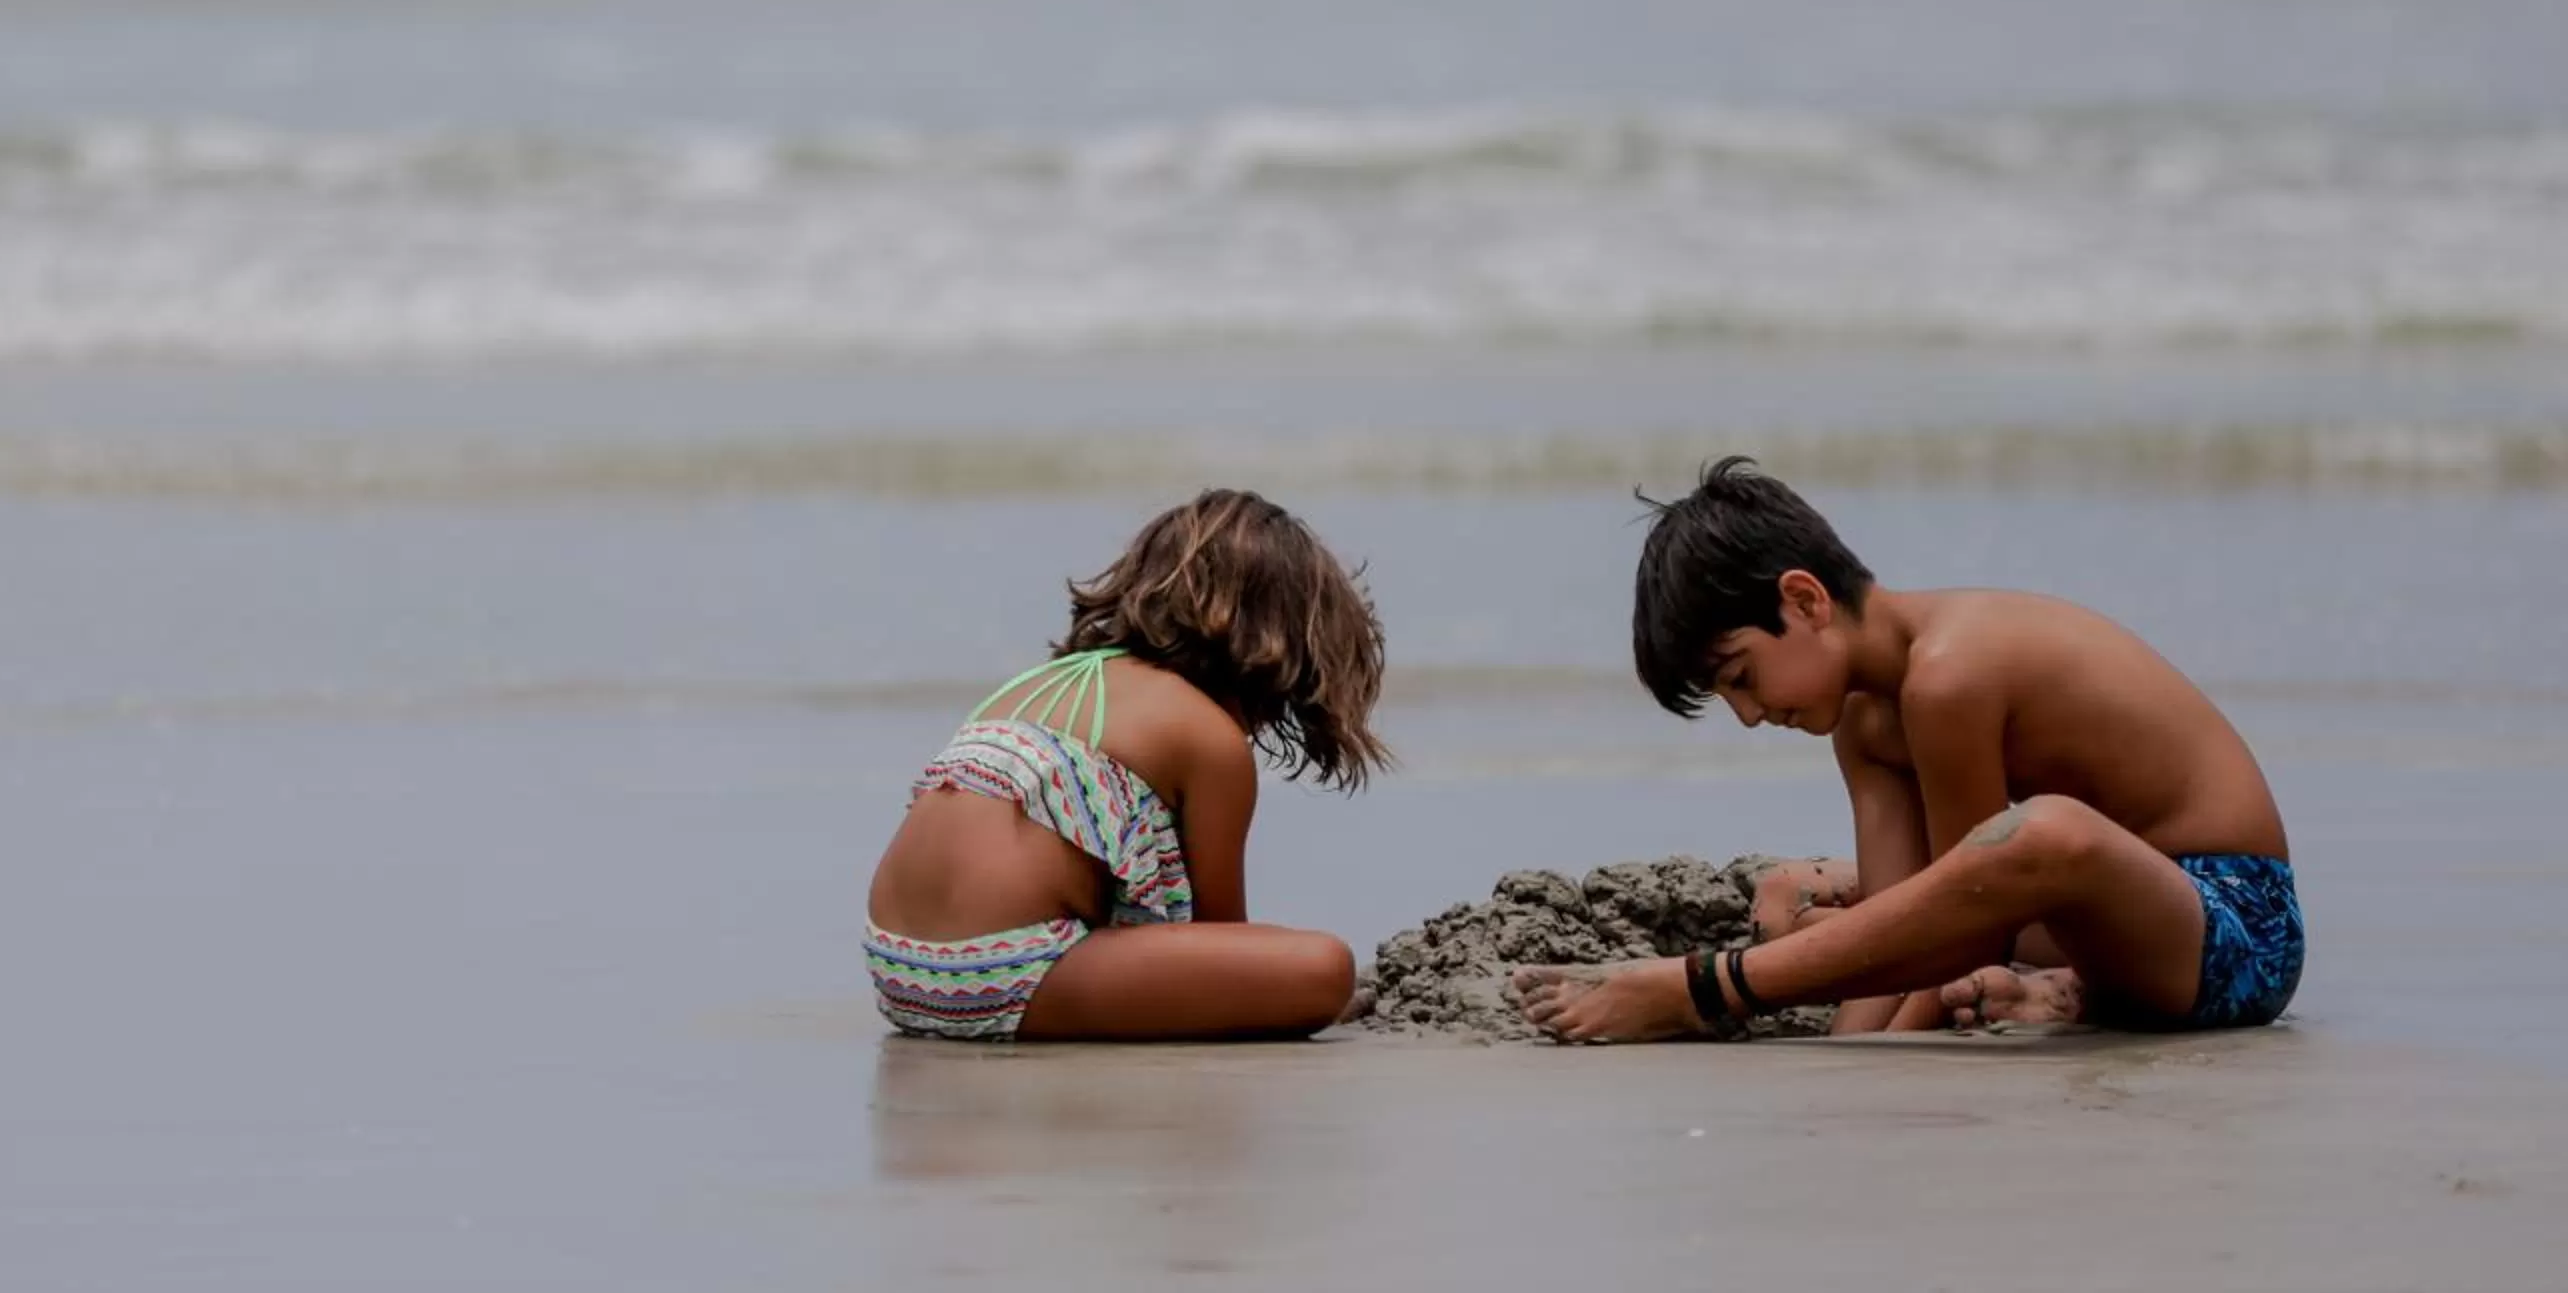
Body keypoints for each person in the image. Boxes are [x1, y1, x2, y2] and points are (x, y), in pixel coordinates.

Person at [1516, 458, 2301, 1042]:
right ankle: (2061, 991)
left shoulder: (1949, 675)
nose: (1751, 717)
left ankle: (1703, 989)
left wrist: (1719, 989)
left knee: (2042, 832)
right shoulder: (1863, 721)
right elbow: (1915, 911)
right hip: (2102, 934)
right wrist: (1853, 1048)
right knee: (1806, 899)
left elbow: (1968, 926)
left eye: (1743, 678)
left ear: (1805, 599)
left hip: (2233, 928)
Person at [866, 489, 1389, 1041]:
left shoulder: (1043, 682)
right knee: (1323, 966)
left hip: (896, 970)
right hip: (1003, 976)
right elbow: (1214, 935)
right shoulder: (1207, 736)